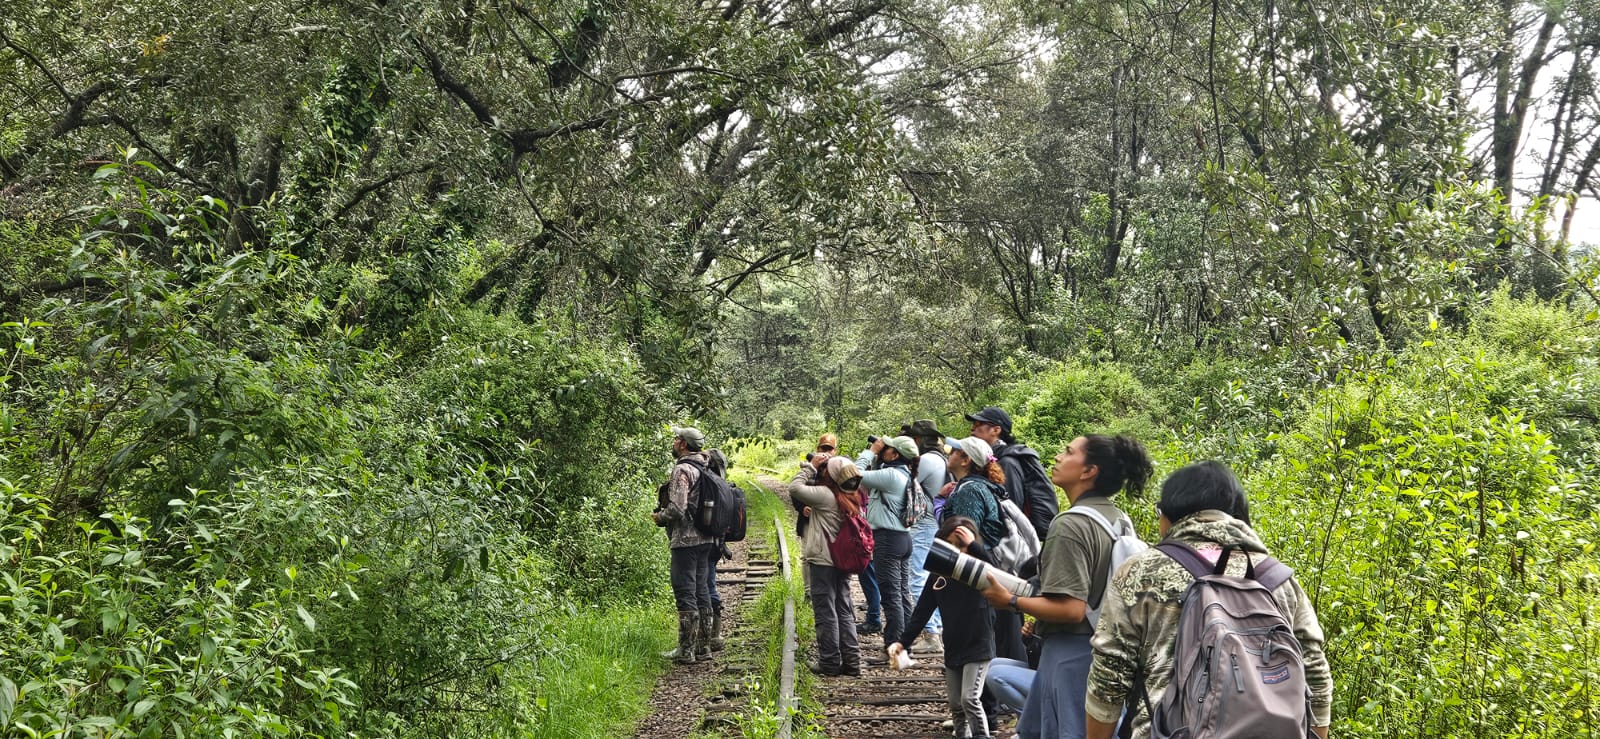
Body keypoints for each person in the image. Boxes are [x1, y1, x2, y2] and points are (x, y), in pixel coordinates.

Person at [1084, 461, 1332, 739]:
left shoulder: (1141, 571)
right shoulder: (1279, 578)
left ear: (1168, 515)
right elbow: (1315, 674)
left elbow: (1110, 677)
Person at [981, 433, 1154, 739]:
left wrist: (1009, 600)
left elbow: (1072, 609)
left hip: (1072, 655)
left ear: (1089, 471)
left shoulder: (1070, 525)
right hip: (1107, 650)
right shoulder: (1117, 519)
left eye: (1068, 451)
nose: (1058, 457)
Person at [888, 516, 998, 739]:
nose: (958, 551)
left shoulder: (980, 573)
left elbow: (999, 574)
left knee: (970, 699)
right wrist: (903, 642)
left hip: (979, 644)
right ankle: (961, 734)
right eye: (952, 545)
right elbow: (922, 612)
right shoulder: (939, 576)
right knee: (956, 704)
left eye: (962, 545)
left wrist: (973, 547)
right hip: (954, 646)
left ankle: (981, 735)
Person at [791, 454, 865, 677]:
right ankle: (852, 661)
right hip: (843, 560)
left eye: (825, 469)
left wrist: (811, 467)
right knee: (844, 608)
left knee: (825, 610)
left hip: (823, 561)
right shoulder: (854, 494)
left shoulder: (825, 495)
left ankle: (830, 662)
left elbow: (795, 488)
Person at [651, 426, 719, 664]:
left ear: (683, 444)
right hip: (707, 539)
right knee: (702, 590)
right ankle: (704, 648)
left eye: (676, 438)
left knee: (685, 592)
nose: (674, 441)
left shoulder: (682, 469)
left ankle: (686, 650)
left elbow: (678, 508)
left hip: (686, 541)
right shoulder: (706, 465)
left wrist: (660, 517)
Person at [855, 435, 919, 654]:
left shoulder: (891, 475)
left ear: (895, 454)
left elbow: (853, 473)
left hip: (888, 540)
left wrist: (871, 450)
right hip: (903, 539)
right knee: (902, 594)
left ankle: (895, 646)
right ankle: (905, 645)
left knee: (891, 597)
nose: (884, 450)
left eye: (887, 448)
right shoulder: (905, 474)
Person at [966, 406, 1059, 542]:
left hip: (1011, 542)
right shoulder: (996, 458)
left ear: (996, 430)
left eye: (978, 424)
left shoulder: (1007, 462)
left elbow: (1010, 508)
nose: (972, 429)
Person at [906, 419, 949, 654]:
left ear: (918, 440)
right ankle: (939, 628)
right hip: (939, 522)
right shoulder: (942, 458)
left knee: (917, 577)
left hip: (926, 523)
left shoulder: (927, 460)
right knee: (935, 576)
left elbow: (906, 486)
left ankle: (931, 634)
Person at [702, 448, 734, 651]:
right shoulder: (723, 485)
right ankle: (715, 634)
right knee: (710, 583)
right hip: (717, 544)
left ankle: (708, 636)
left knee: (704, 586)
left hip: (704, 543)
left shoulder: (707, 484)